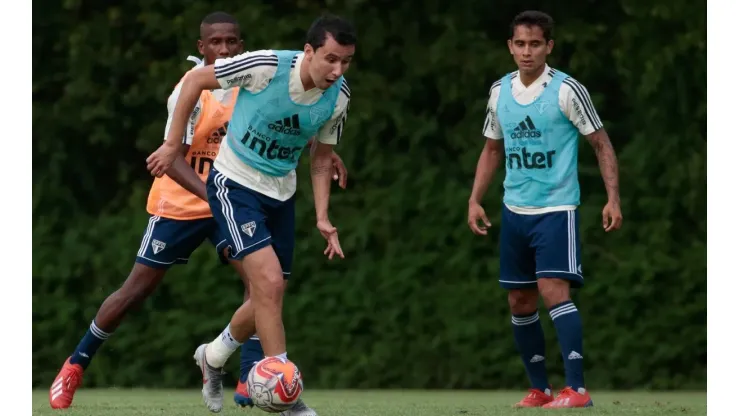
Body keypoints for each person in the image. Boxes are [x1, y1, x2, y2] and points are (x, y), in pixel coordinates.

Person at [48, 12, 348, 410]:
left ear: (240, 46)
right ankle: (75, 363)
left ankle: (247, 373)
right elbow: (171, 159)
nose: (224, 50)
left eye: (231, 43)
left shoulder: (250, 81)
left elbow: (284, 122)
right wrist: (217, 198)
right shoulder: (190, 92)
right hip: (187, 198)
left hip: (237, 195)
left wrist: (321, 151)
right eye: (216, 43)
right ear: (201, 48)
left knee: (264, 284)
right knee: (136, 290)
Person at [145, 13, 355, 416]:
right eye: (330, 59)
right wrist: (173, 144)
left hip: (280, 194)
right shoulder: (265, 66)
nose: (337, 70)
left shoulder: (339, 96)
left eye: (345, 61)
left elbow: (322, 157)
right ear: (308, 51)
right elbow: (194, 80)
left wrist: (322, 216)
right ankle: (288, 397)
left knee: (270, 291)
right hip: (234, 183)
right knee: (270, 282)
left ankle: (214, 355)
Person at [467, 10, 622, 409]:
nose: (527, 52)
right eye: (520, 43)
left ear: (548, 46)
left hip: (556, 209)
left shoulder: (568, 90)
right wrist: (474, 199)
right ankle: (541, 389)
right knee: (519, 301)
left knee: (554, 291)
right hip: (514, 211)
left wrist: (612, 198)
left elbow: (601, 144)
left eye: (535, 44)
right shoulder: (500, 92)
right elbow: (491, 149)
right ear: (510, 46)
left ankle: (578, 390)